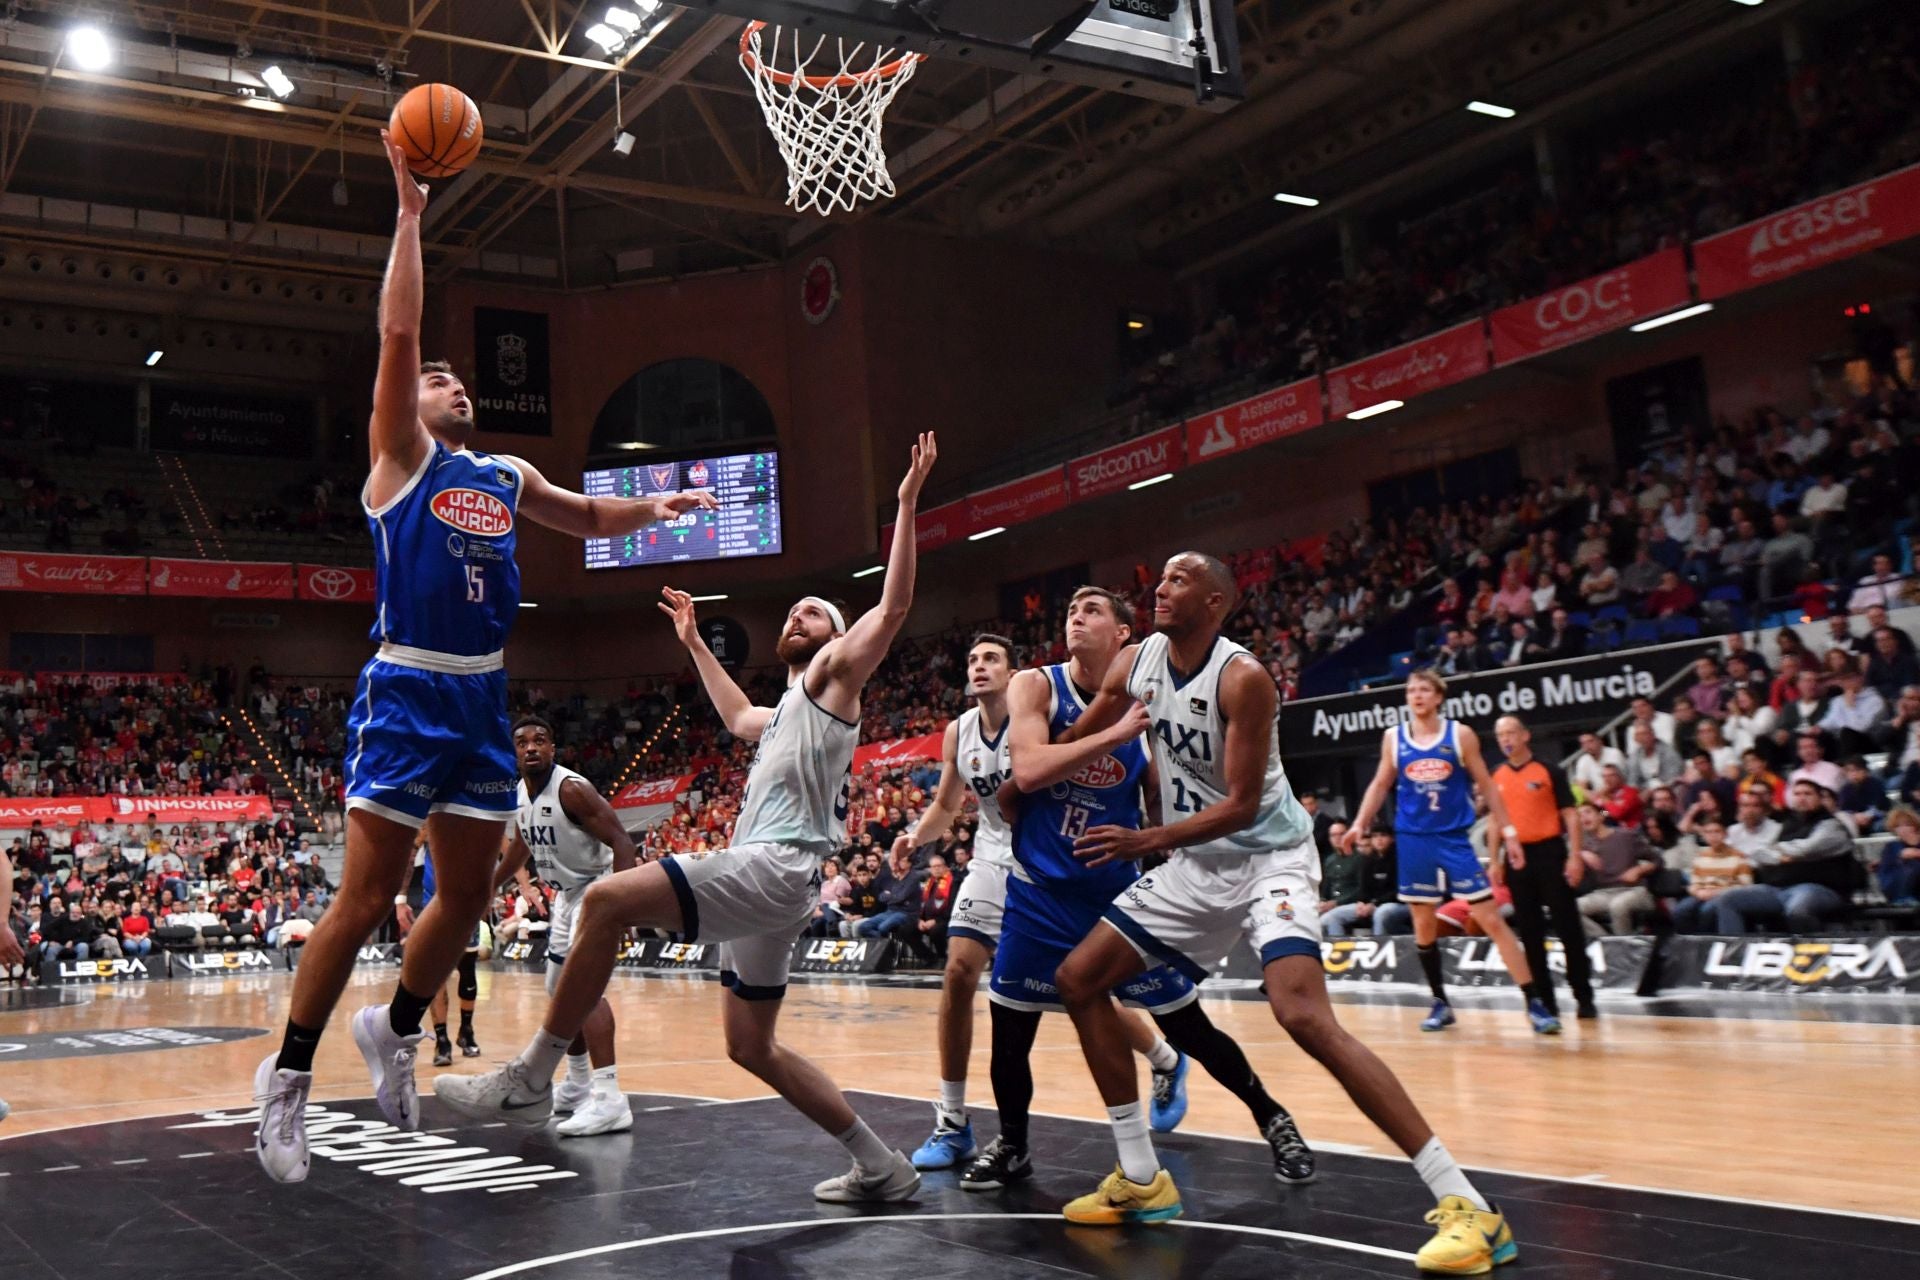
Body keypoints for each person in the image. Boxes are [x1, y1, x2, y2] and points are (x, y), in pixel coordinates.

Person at [250, 132, 714, 1185]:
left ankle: (395, 1026)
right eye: (434, 378)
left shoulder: (502, 473)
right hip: (408, 683)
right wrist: (411, 216)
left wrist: (659, 509)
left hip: (481, 695)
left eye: (457, 379)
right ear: (404, 404)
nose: (449, 381)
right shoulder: (398, 460)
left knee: (465, 900)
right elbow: (399, 328)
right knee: (366, 895)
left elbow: (585, 515)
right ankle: (286, 1076)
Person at [434, 434, 938, 1204]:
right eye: (795, 609)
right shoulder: (787, 711)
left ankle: (532, 1076)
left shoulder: (837, 676)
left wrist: (903, 505)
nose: (799, 613)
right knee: (751, 1045)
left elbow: (894, 606)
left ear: (839, 639)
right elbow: (736, 716)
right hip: (782, 882)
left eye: (814, 610)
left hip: (774, 865)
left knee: (605, 899)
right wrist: (697, 643)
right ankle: (881, 1165)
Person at [1045, 555, 1518, 1274]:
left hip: (1270, 860)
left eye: (1177, 581)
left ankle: (1470, 1207)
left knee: (1302, 1015)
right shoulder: (1136, 662)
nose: (1159, 589)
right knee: (1078, 980)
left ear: (1215, 602)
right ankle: (1141, 1179)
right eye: (1160, 579)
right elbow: (1078, 737)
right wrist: (1025, 755)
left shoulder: (1244, 678)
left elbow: (1239, 806)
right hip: (1195, 865)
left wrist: (1144, 839)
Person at [963, 586, 1312, 1194]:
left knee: (1189, 1026)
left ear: (1124, 634)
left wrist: (1168, 844)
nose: (1075, 617)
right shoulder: (1039, 685)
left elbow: (1157, 795)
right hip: (1039, 892)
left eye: (1092, 610)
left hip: (1113, 895)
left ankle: (1272, 1116)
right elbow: (1030, 771)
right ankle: (1013, 1145)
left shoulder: (1154, 700)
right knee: (1011, 1032)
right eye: (1071, 610)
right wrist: (1116, 732)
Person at [1344, 671, 1559, 1034]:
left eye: (1424, 689)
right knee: (1423, 924)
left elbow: (1487, 786)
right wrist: (1359, 824)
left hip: (1453, 837)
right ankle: (1440, 1002)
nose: (1416, 695)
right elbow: (1380, 784)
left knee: (1491, 919)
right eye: (1411, 690)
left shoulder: (1459, 735)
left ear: (1438, 696)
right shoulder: (1394, 737)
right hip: (1413, 839)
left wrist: (1509, 833)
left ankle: (1534, 1002)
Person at [472, 714, 642, 1137]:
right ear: (513, 753)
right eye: (522, 742)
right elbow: (520, 851)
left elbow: (622, 841)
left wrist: (623, 902)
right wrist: (487, 887)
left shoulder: (572, 790)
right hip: (566, 896)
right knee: (557, 989)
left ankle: (610, 1097)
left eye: (540, 740)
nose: (531, 747)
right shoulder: (520, 795)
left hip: (597, 888)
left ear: (553, 748)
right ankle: (579, 1084)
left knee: (584, 991)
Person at [899, 634, 1017, 1171]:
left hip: (1043, 861)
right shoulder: (959, 730)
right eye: (972, 660)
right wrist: (914, 837)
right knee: (958, 973)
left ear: (1014, 673)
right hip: (991, 860)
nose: (979, 667)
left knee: (1075, 985)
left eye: (991, 659)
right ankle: (953, 1121)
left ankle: (1161, 1059)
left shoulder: (1035, 713)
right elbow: (948, 805)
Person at [1488, 717, 1595, 1021]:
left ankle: (1583, 996)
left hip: (1550, 853)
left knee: (1568, 926)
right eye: (1500, 735)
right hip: (1516, 856)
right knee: (1530, 932)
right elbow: (1495, 820)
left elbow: (1571, 816)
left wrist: (1575, 856)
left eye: (1510, 733)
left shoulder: (1550, 770)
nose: (1505, 739)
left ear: (1525, 735)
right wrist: (1494, 860)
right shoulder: (1496, 775)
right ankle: (1544, 1001)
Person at [1573, 804, 1658, 937]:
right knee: (1572, 908)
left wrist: (1639, 870)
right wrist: (1581, 853)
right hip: (1603, 893)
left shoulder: (1626, 835)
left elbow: (1657, 860)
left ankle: (1623, 946)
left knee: (1618, 905)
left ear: (1601, 816)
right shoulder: (1584, 845)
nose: (1583, 817)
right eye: (1579, 815)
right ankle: (1606, 942)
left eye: (1588, 812)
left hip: (1635, 890)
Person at [1669, 817, 1754, 934]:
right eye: (1708, 832)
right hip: (1702, 893)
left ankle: (1707, 940)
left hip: (1725, 895)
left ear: (1725, 834)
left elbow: (1746, 886)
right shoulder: (1701, 857)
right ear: (1704, 835)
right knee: (1681, 910)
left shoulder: (1739, 857)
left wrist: (1717, 893)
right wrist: (1698, 892)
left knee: (1707, 910)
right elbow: (1694, 882)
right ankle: (1689, 940)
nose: (1713, 836)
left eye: (1717, 831)